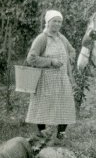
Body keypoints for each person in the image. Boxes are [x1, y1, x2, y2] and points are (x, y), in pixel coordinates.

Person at [25, 10, 77, 141]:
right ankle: (43, 133)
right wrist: (51, 62)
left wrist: (68, 59)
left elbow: (72, 50)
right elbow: (31, 58)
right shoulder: (42, 38)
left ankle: (61, 134)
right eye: (54, 21)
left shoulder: (61, 37)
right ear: (48, 22)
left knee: (65, 104)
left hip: (62, 78)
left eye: (59, 22)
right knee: (43, 105)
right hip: (46, 79)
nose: (57, 24)